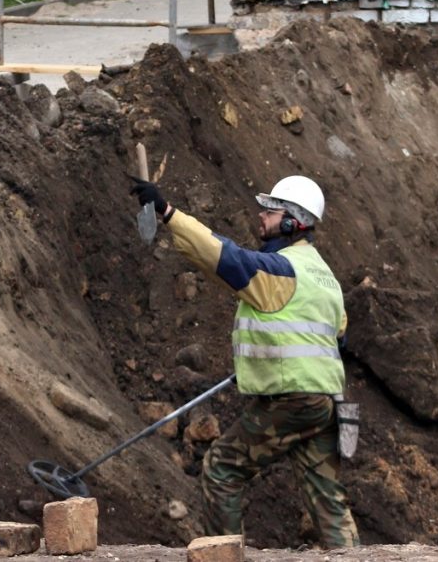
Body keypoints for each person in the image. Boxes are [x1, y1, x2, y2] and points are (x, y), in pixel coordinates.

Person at [130, 174, 360, 548]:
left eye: (272, 210)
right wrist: (268, 362)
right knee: (327, 498)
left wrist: (168, 212)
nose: (261, 215)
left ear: (294, 222)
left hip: (292, 399)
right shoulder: (325, 277)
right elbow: (337, 337)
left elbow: (222, 256)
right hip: (324, 402)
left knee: (221, 469)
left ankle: (224, 555)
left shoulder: (281, 270)